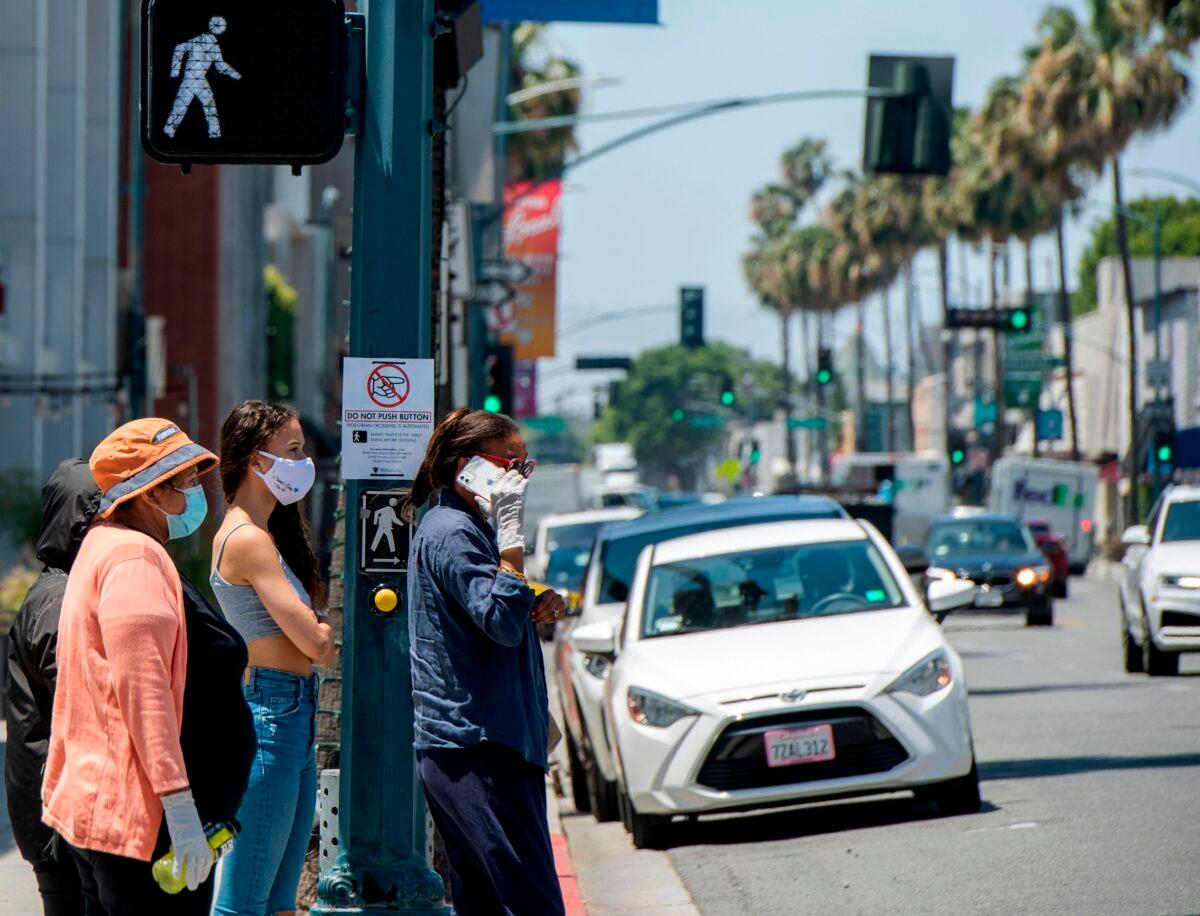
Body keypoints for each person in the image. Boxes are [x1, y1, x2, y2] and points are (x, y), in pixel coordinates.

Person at [42, 419, 244, 915]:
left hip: (108, 812)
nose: (195, 493)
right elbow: (143, 690)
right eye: (184, 482)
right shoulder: (134, 557)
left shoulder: (103, 544)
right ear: (149, 494)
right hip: (140, 823)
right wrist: (179, 811)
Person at [405, 407, 568, 915]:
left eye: (526, 465)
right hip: (478, 747)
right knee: (532, 901)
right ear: (467, 468)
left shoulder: (464, 527)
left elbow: (492, 612)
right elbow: (497, 619)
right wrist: (513, 540)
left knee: (484, 903)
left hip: (476, 746)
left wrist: (536, 600)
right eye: (510, 464)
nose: (520, 476)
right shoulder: (454, 530)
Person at [210, 400, 333, 916]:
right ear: (256, 462)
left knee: (282, 900)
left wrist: (317, 632)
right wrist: (321, 630)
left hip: (291, 712)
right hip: (270, 716)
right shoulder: (247, 539)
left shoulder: (268, 536)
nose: (304, 463)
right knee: (244, 901)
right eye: (293, 451)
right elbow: (318, 644)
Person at [6, 460, 97, 916]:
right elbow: (83, 697)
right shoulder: (61, 600)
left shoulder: (54, 588)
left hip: (51, 813)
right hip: (61, 821)